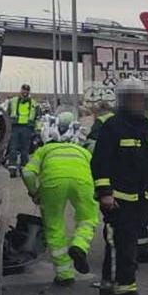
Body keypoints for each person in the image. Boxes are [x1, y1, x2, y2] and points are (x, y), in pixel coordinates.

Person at [91, 78, 148, 295]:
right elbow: (100, 163)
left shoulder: (144, 126)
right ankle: (125, 289)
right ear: (124, 100)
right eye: (134, 99)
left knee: (122, 243)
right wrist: (105, 193)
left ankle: (110, 284)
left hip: (138, 197)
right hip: (118, 198)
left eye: (141, 99)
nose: (138, 103)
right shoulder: (113, 126)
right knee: (122, 244)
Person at [21, 112, 97, 286]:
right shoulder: (82, 151)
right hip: (82, 182)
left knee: (54, 225)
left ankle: (65, 274)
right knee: (88, 218)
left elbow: (27, 172)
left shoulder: (44, 150)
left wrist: (34, 192)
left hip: (52, 184)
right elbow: (96, 170)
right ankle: (79, 245)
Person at [4, 84, 39, 174]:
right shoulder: (13, 101)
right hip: (15, 127)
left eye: (27, 91)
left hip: (27, 128)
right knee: (13, 149)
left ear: (29, 92)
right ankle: (12, 169)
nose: (25, 92)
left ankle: (23, 169)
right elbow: (7, 115)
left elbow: (37, 117)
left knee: (25, 150)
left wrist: (36, 131)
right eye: (23, 90)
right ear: (20, 90)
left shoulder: (34, 103)